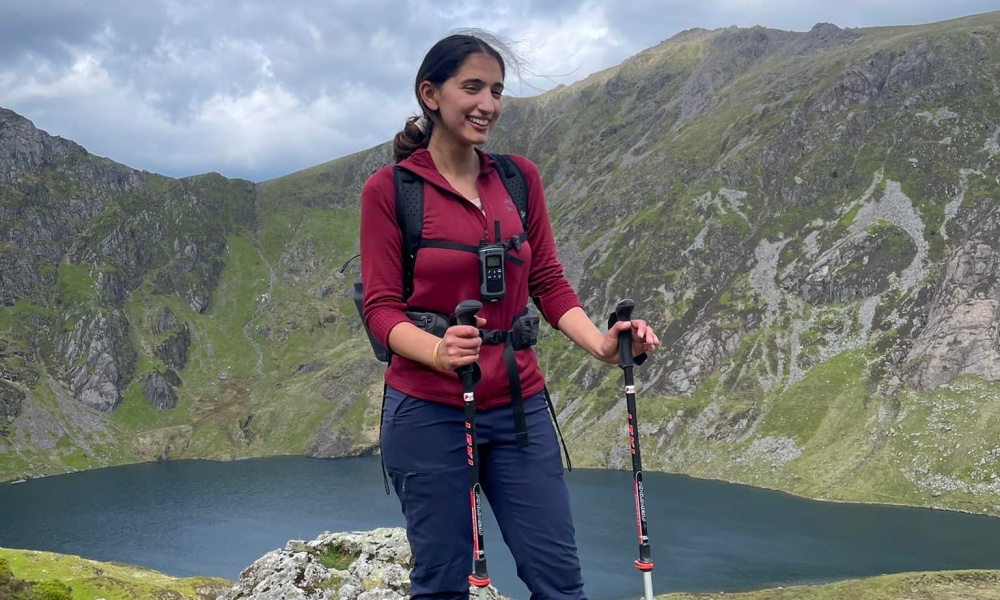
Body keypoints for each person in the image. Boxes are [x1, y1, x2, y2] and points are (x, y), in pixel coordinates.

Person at [359, 30, 660, 600]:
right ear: (431, 94)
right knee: (442, 582)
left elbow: (546, 282)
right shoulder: (390, 190)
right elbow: (379, 310)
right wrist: (438, 352)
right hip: (426, 412)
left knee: (558, 579)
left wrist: (603, 344)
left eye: (496, 91)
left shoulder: (519, 178)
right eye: (472, 87)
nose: (488, 105)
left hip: (520, 408)